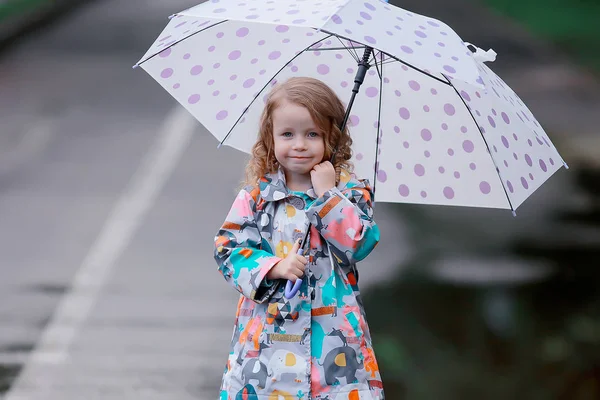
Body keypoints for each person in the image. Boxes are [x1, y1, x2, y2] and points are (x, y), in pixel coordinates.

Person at [214, 77, 384, 400]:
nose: (300, 144)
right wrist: (274, 266)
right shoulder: (257, 198)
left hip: (333, 345)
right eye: (288, 134)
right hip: (266, 344)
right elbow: (227, 249)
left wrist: (328, 196)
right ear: (271, 137)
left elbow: (360, 242)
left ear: (331, 137)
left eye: (312, 134)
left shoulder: (349, 193)